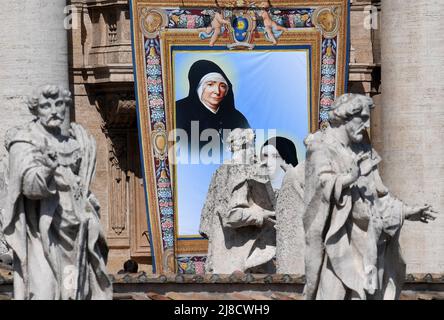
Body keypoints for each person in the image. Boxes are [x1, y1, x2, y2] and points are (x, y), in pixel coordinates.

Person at [303, 94, 437, 300]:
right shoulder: (321, 146)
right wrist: (349, 178)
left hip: (369, 243)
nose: (366, 124)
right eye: (362, 118)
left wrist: (407, 211)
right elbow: (320, 186)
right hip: (338, 241)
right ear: (346, 116)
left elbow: (379, 195)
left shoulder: (365, 150)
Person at [2, 85, 112, 300]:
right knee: (44, 290)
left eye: (58, 104)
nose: (53, 110)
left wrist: (89, 209)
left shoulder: (78, 141)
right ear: (35, 110)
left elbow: (82, 185)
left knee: (75, 290)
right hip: (42, 232)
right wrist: (47, 169)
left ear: (66, 106)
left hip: (75, 232)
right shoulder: (25, 143)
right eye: (45, 106)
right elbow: (30, 189)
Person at [199, 129, 276, 274]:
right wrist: (261, 214)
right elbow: (232, 216)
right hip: (239, 263)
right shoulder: (239, 171)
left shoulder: (219, 173)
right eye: (253, 144)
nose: (254, 152)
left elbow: (205, 226)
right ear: (247, 145)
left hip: (221, 261)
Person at [175, 60, 250, 151]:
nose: (217, 91)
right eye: (210, 84)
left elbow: (248, 151)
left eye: (222, 86)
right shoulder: (178, 111)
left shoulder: (237, 118)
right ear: (199, 87)